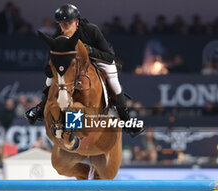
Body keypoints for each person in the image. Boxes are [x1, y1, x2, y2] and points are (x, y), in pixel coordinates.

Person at [26, 4, 145, 137]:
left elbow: (109, 56)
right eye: (62, 24)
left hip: (98, 59)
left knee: (115, 84)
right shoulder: (58, 36)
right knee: (49, 80)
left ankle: (126, 120)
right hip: (72, 65)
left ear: (77, 21)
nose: (65, 27)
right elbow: (50, 64)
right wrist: (53, 69)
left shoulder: (91, 30)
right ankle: (40, 108)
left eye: (68, 23)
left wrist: (90, 50)